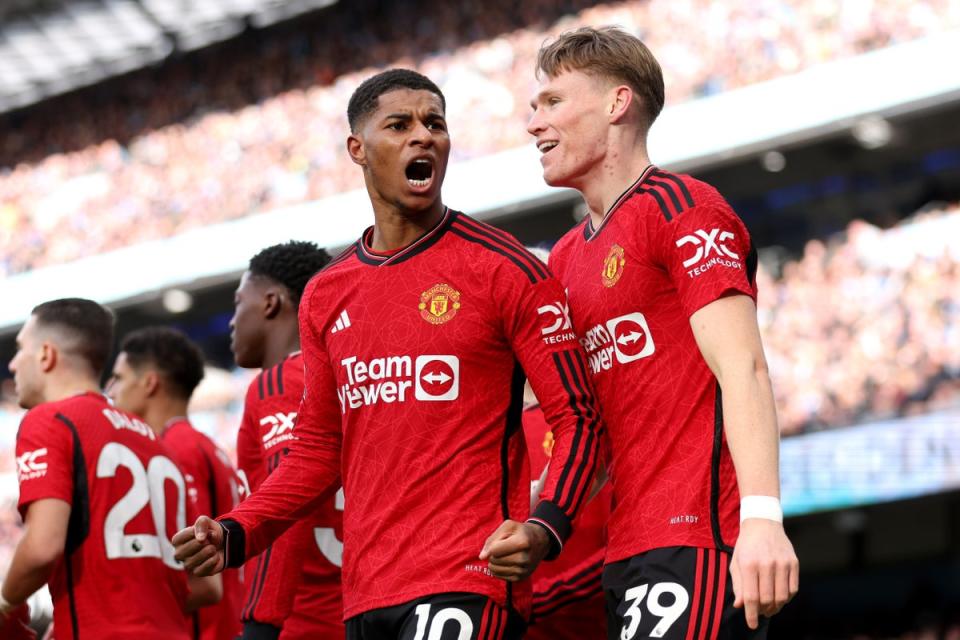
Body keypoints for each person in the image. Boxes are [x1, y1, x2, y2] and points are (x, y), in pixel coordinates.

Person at [173, 68, 603, 639]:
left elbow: (579, 416)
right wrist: (236, 531)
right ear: (358, 149)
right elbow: (316, 453)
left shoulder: (507, 268)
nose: (422, 136)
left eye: (435, 124)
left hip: (467, 577)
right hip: (368, 594)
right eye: (399, 125)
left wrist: (545, 527)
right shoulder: (328, 294)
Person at [527, 27, 799, 638]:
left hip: (700, 534)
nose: (533, 123)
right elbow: (587, 426)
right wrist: (542, 517)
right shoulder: (565, 258)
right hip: (625, 549)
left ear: (617, 103)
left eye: (552, 102)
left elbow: (745, 369)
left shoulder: (684, 209)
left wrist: (762, 518)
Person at [1, 298, 220, 640]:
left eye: (19, 349)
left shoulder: (50, 419)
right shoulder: (155, 440)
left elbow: (42, 548)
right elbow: (207, 585)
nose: (13, 364)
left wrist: (3, 604)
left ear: (46, 354)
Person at [229, 240, 342, 640]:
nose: (231, 320)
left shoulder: (279, 382)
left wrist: (260, 624)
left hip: (304, 622)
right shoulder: (350, 379)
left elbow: (286, 506)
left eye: (239, 301)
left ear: (271, 303)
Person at [107, 326, 241, 640]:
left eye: (120, 378)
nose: (110, 391)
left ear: (150, 383)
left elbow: (205, 582)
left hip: (207, 630)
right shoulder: (203, 445)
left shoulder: (175, 450)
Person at [521, 390, 610, 640]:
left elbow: (627, 539)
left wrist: (548, 598)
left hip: (590, 627)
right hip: (509, 625)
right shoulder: (492, 428)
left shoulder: (594, 422)